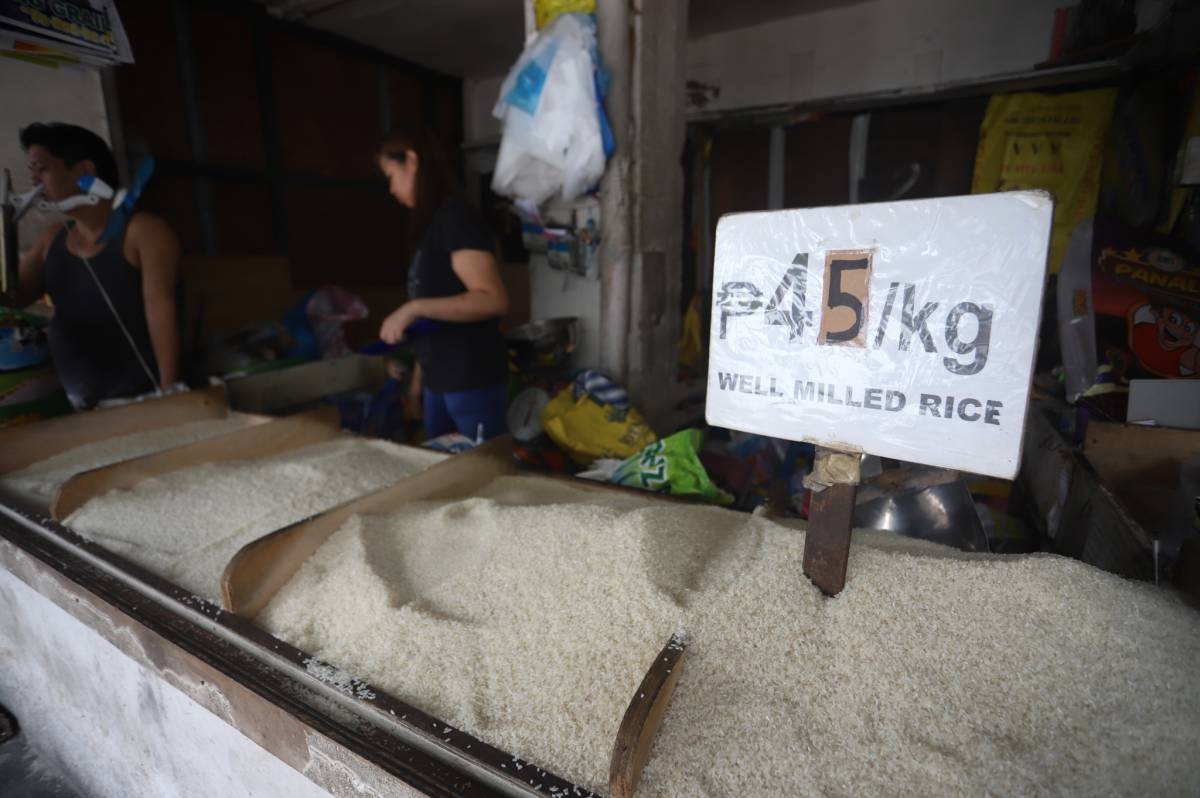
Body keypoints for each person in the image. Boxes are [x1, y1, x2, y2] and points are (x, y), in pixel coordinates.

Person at [16, 122, 181, 409]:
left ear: (85, 172)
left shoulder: (143, 232)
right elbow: (12, 298)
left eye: (42, 168)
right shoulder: (51, 239)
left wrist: (170, 389)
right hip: (81, 407)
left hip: (144, 400)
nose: (34, 182)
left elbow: (161, 306)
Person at [377, 126, 510, 440]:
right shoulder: (431, 227)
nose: (391, 189)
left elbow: (493, 299)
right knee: (445, 470)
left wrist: (413, 307)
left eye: (391, 175)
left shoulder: (455, 218)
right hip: (441, 380)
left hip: (470, 378)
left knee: (483, 472)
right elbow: (436, 319)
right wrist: (418, 384)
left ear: (411, 161)